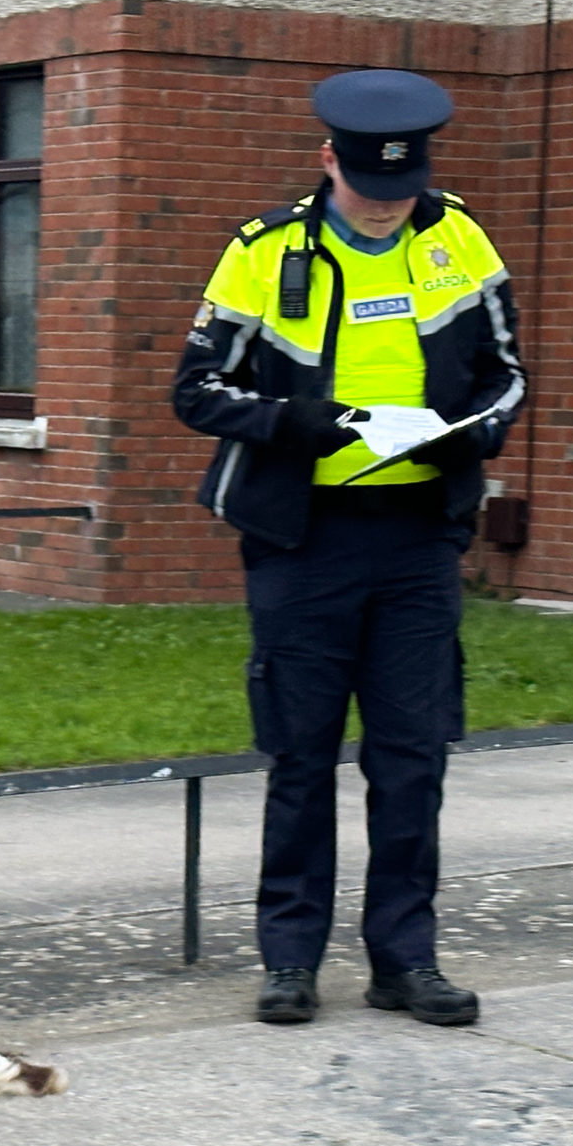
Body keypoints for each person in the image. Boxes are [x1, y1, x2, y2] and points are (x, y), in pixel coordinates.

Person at [171, 69, 526, 1028]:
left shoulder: (457, 237)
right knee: (300, 758)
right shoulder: (264, 250)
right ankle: (290, 960)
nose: (384, 212)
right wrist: (300, 424)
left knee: (412, 759)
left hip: (416, 542)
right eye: (370, 195)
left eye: (399, 197)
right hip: (304, 541)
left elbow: (507, 376)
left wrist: (465, 433)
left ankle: (406, 960)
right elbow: (198, 391)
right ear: (329, 161)